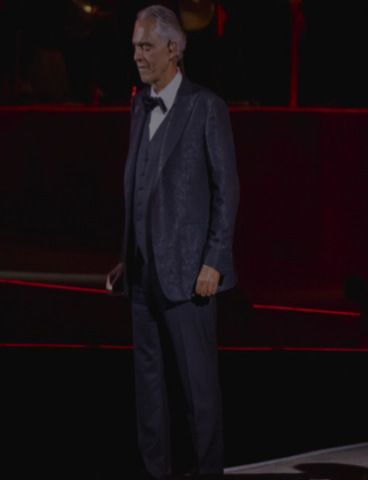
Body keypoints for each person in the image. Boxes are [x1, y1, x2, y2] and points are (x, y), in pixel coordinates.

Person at [106, 5, 239, 479]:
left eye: (145, 46)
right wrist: (127, 256)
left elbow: (228, 191)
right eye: (134, 47)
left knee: (198, 392)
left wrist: (215, 260)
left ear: (172, 48)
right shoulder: (138, 106)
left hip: (190, 275)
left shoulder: (205, 107)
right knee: (149, 391)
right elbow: (139, 186)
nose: (137, 56)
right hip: (143, 275)